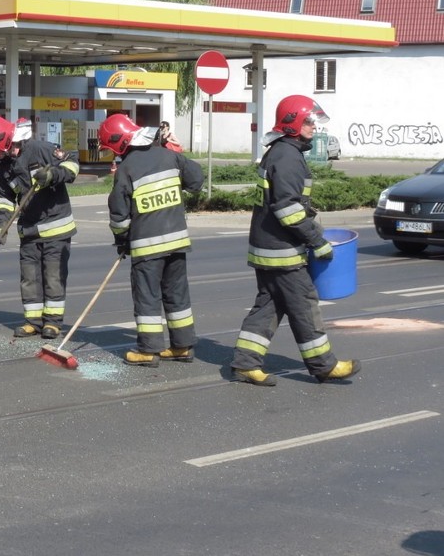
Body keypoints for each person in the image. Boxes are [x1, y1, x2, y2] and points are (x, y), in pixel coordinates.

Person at [231, 95, 361, 386]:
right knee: (304, 305)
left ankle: (244, 364)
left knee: (268, 306)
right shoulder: (287, 157)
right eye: (308, 121)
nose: (314, 127)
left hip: (267, 247)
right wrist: (317, 241)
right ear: (291, 124)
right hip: (282, 251)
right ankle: (324, 366)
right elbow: (288, 210)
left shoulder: (281, 151)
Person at [99, 113, 204, 367]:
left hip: (147, 247)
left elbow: (119, 215)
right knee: (177, 294)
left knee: (147, 296)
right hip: (177, 243)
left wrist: (122, 240)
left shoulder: (126, 169)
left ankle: (148, 350)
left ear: (120, 142)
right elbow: (196, 180)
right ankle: (182, 346)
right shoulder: (169, 155)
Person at [0, 116, 79, 339]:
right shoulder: (5, 167)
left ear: (4, 142)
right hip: (29, 232)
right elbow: (4, 199)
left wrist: (53, 174)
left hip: (56, 230)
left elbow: (72, 164)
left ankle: (52, 322)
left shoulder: (40, 149)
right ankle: (33, 321)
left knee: (53, 278)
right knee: (29, 278)